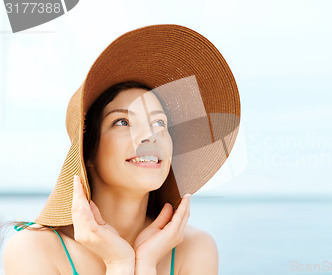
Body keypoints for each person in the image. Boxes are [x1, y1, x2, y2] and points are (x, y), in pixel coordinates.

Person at [2, 24, 241, 275]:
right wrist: (119, 264)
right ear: (88, 152)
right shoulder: (34, 249)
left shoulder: (194, 249)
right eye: (123, 122)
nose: (149, 135)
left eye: (159, 122)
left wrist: (146, 262)